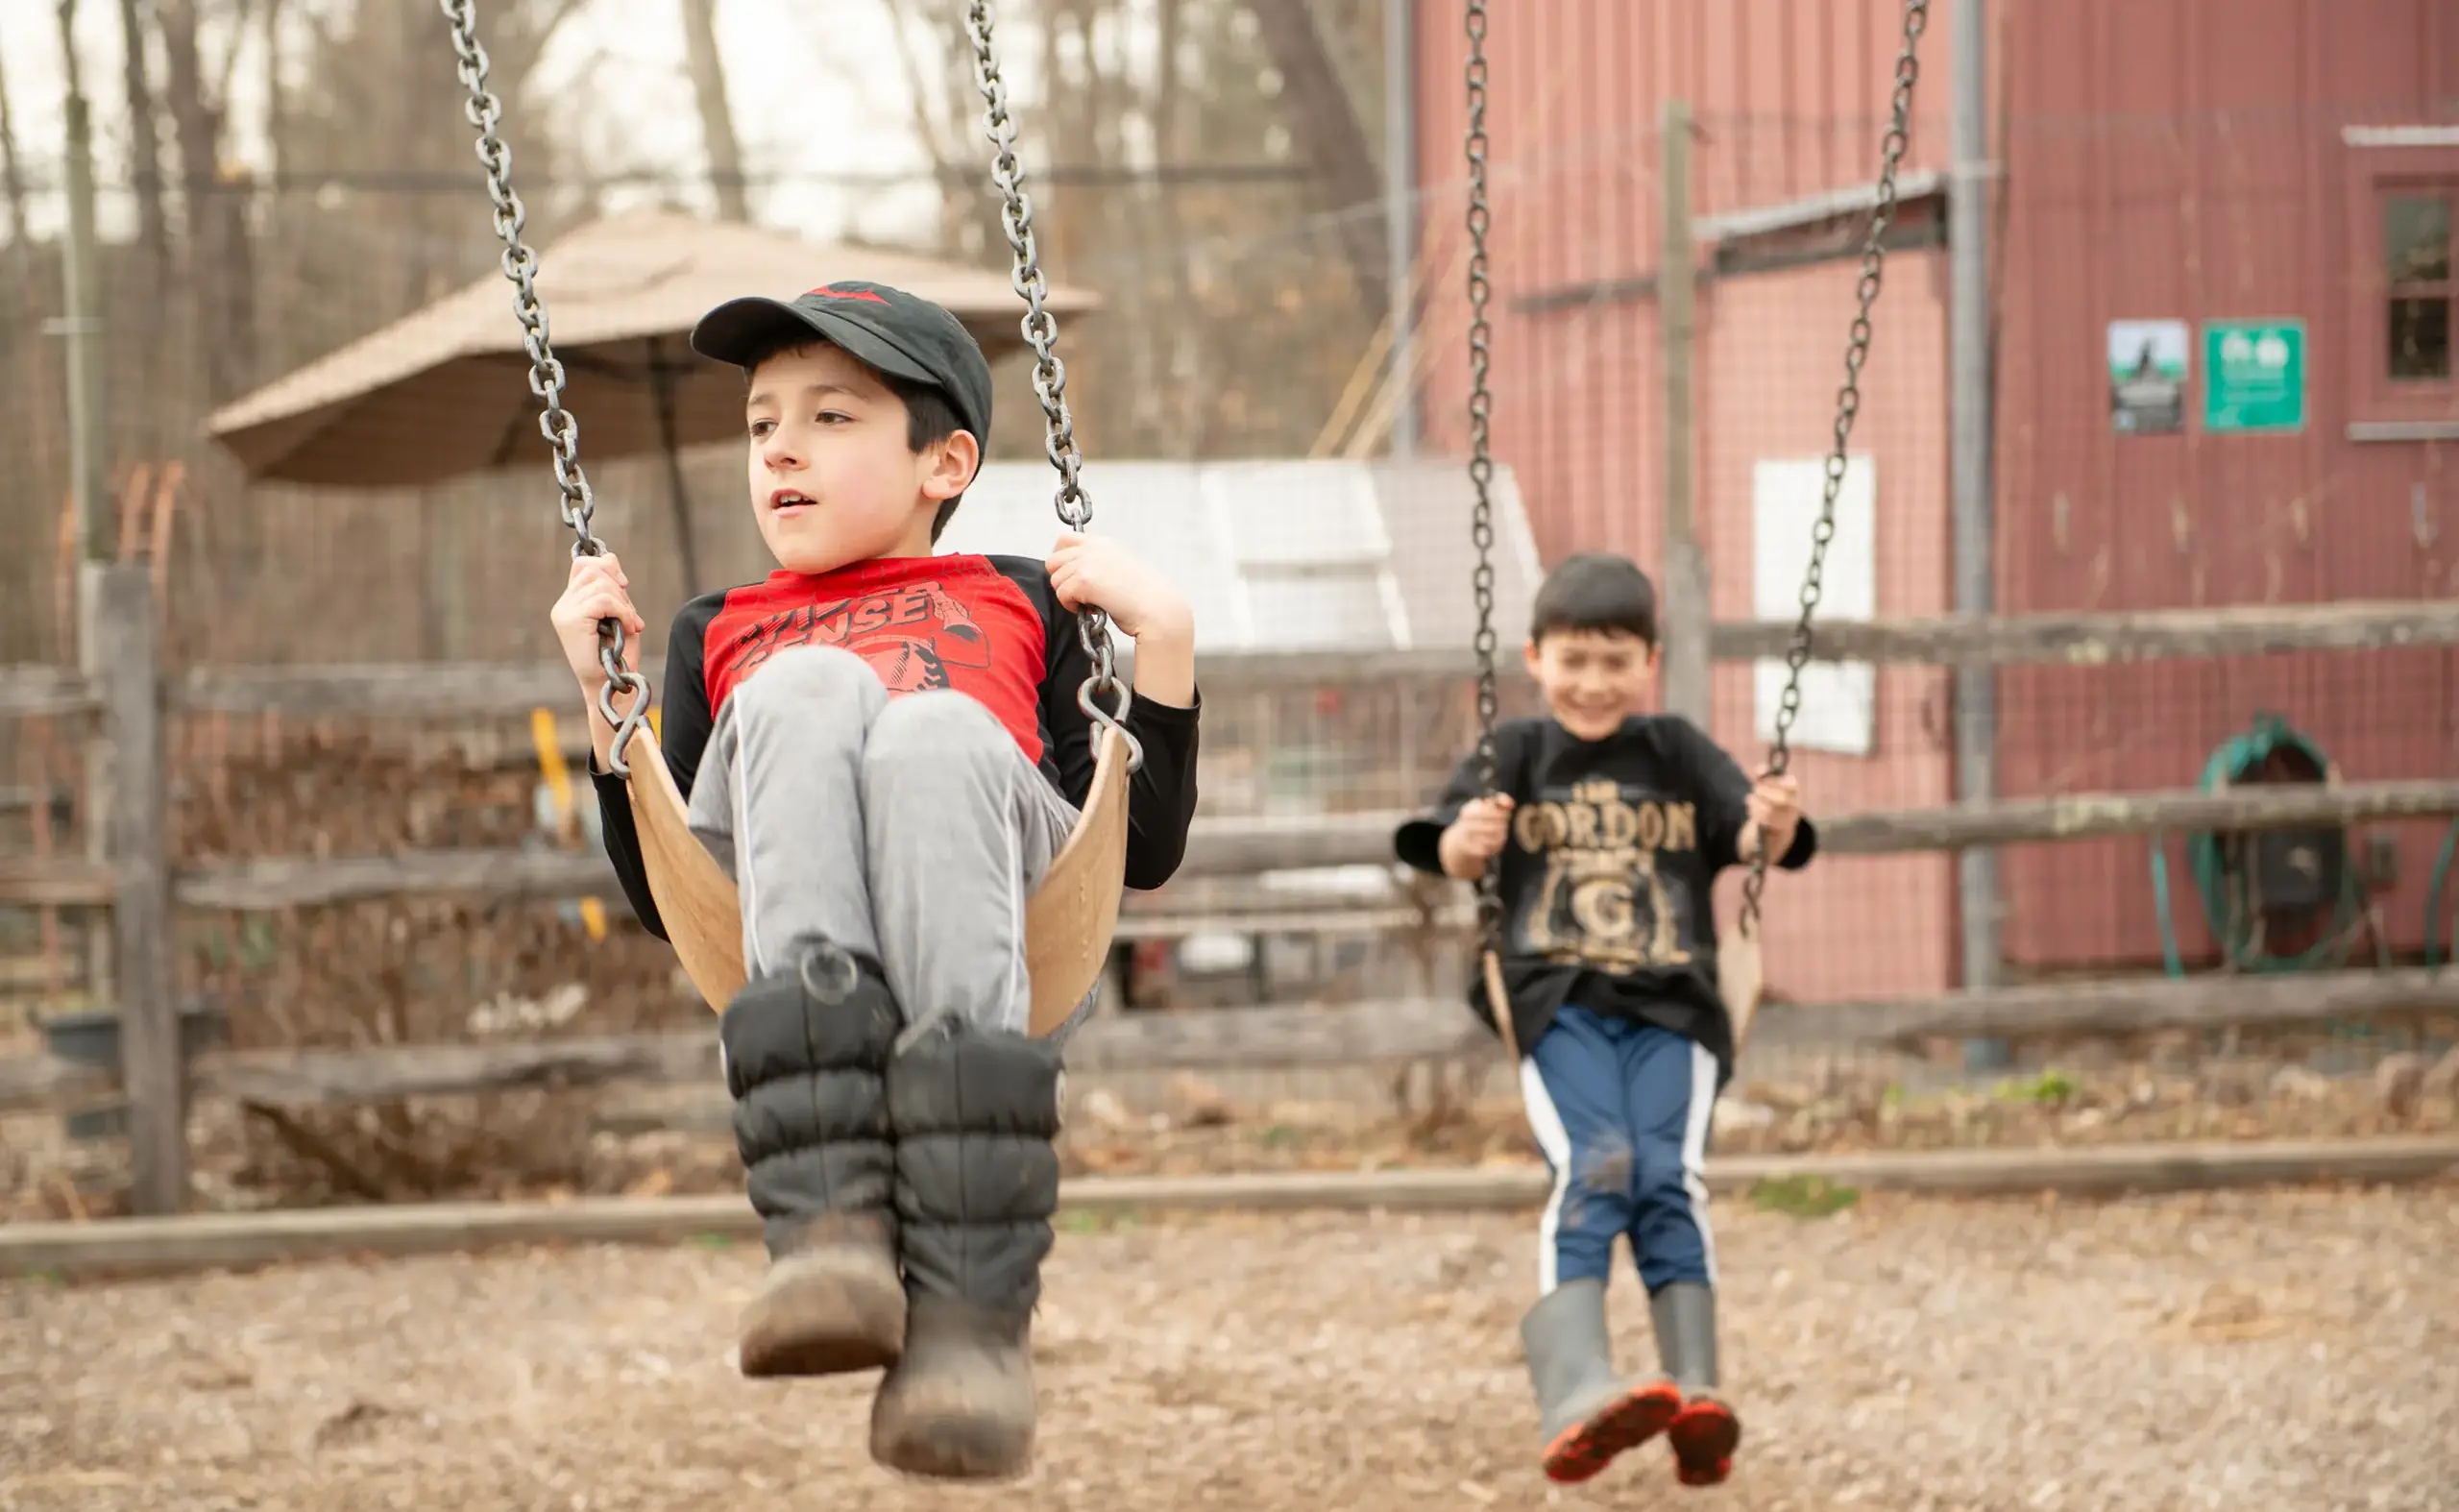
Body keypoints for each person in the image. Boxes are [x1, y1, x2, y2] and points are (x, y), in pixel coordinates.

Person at [548, 281, 1202, 1482]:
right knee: (801, 690)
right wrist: (606, 709)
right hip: (796, 944)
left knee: (934, 733)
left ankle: (968, 1320)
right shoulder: (710, 630)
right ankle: (828, 1227)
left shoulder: (1023, 595)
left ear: (942, 461)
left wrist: (1161, 642)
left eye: (832, 417)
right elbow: (677, 898)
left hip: (998, 930)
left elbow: (1135, 852)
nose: (781, 446)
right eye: (760, 424)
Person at [1392, 552, 1812, 1489]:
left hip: (1674, 1005)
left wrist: (1773, 823)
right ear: (1536, 658)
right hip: (1555, 1002)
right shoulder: (1517, 755)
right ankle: (1576, 1389)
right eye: (1573, 660)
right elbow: (1448, 848)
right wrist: (1470, 840)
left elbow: (1750, 837)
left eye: (1614, 660)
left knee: (1668, 1174)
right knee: (1596, 1164)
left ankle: (1698, 1393)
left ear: (1648, 661)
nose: (1592, 681)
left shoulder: (1675, 750)